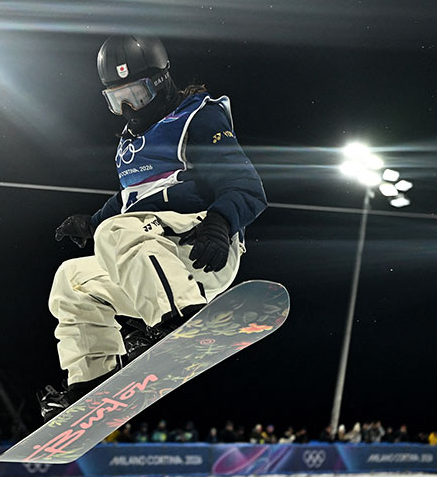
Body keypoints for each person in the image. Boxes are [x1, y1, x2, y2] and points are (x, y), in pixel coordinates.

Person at [39, 35, 267, 421]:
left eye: (137, 95)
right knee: (71, 279)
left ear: (160, 83)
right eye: (117, 99)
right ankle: (91, 380)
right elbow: (134, 199)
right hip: (152, 258)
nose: (129, 108)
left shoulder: (196, 117)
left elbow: (247, 185)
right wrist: (92, 222)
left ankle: (181, 319)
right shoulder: (131, 144)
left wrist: (220, 222)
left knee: (115, 232)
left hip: (199, 246)